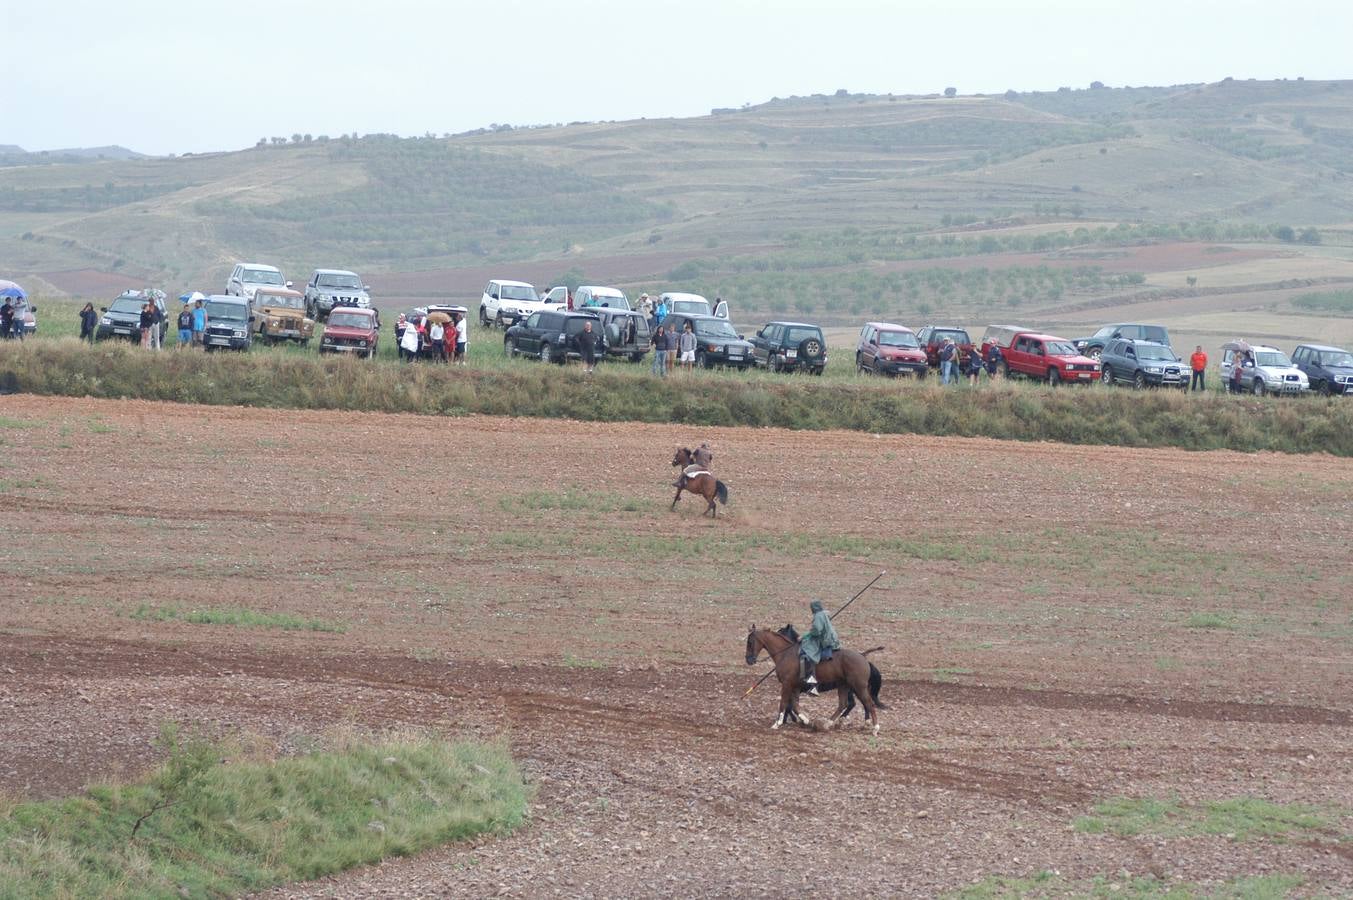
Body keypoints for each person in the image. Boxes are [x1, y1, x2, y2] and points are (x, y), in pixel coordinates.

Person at [799, 599, 841, 695]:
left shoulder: (818, 616)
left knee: (807, 653)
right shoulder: (823, 614)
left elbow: (817, 631)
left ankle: (813, 684)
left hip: (826, 641)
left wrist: (805, 636)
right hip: (831, 638)